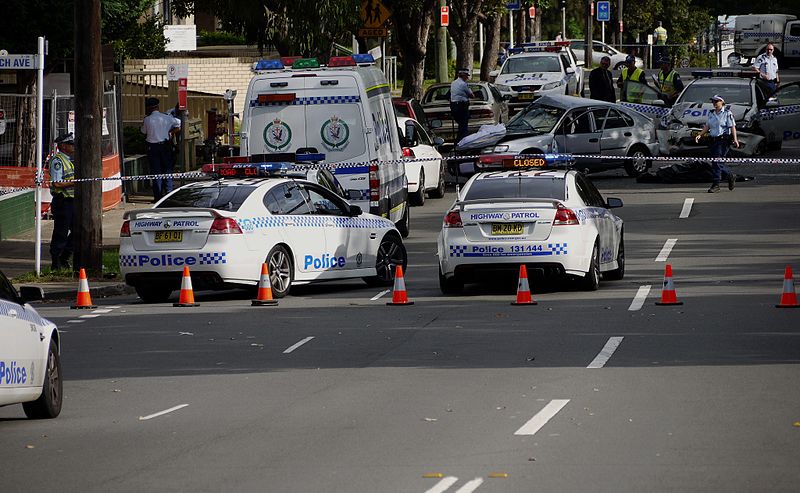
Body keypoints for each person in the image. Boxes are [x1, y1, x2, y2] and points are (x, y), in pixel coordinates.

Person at [694, 95, 739, 193]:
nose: (714, 103)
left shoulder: (727, 113)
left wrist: (735, 139)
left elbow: (732, 127)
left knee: (717, 162)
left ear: (722, 102)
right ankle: (730, 175)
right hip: (713, 140)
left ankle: (716, 184)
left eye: (716, 101)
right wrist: (700, 135)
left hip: (723, 141)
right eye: (713, 101)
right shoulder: (711, 113)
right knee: (716, 162)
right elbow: (707, 126)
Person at [141, 97, 181, 201]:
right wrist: (171, 132)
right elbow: (178, 124)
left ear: (149, 108)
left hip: (152, 148)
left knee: (156, 172)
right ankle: (169, 194)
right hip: (165, 146)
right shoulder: (166, 117)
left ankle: (157, 196)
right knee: (167, 170)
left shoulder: (147, 119)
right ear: (157, 107)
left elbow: (143, 132)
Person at [48, 133, 76, 270]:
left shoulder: (69, 160)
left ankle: (65, 257)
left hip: (71, 202)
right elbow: (57, 183)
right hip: (62, 202)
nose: (73, 146)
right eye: (71, 144)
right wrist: (75, 183)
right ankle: (56, 261)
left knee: (78, 230)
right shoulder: (57, 161)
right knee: (61, 232)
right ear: (63, 146)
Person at [450, 68, 475, 143]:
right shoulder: (463, 84)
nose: (467, 77)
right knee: (464, 127)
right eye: (466, 75)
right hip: (462, 107)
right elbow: (472, 95)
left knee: (461, 125)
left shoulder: (453, 83)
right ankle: (461, 143)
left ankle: (458, 141)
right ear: (463, 76)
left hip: (454, 106)